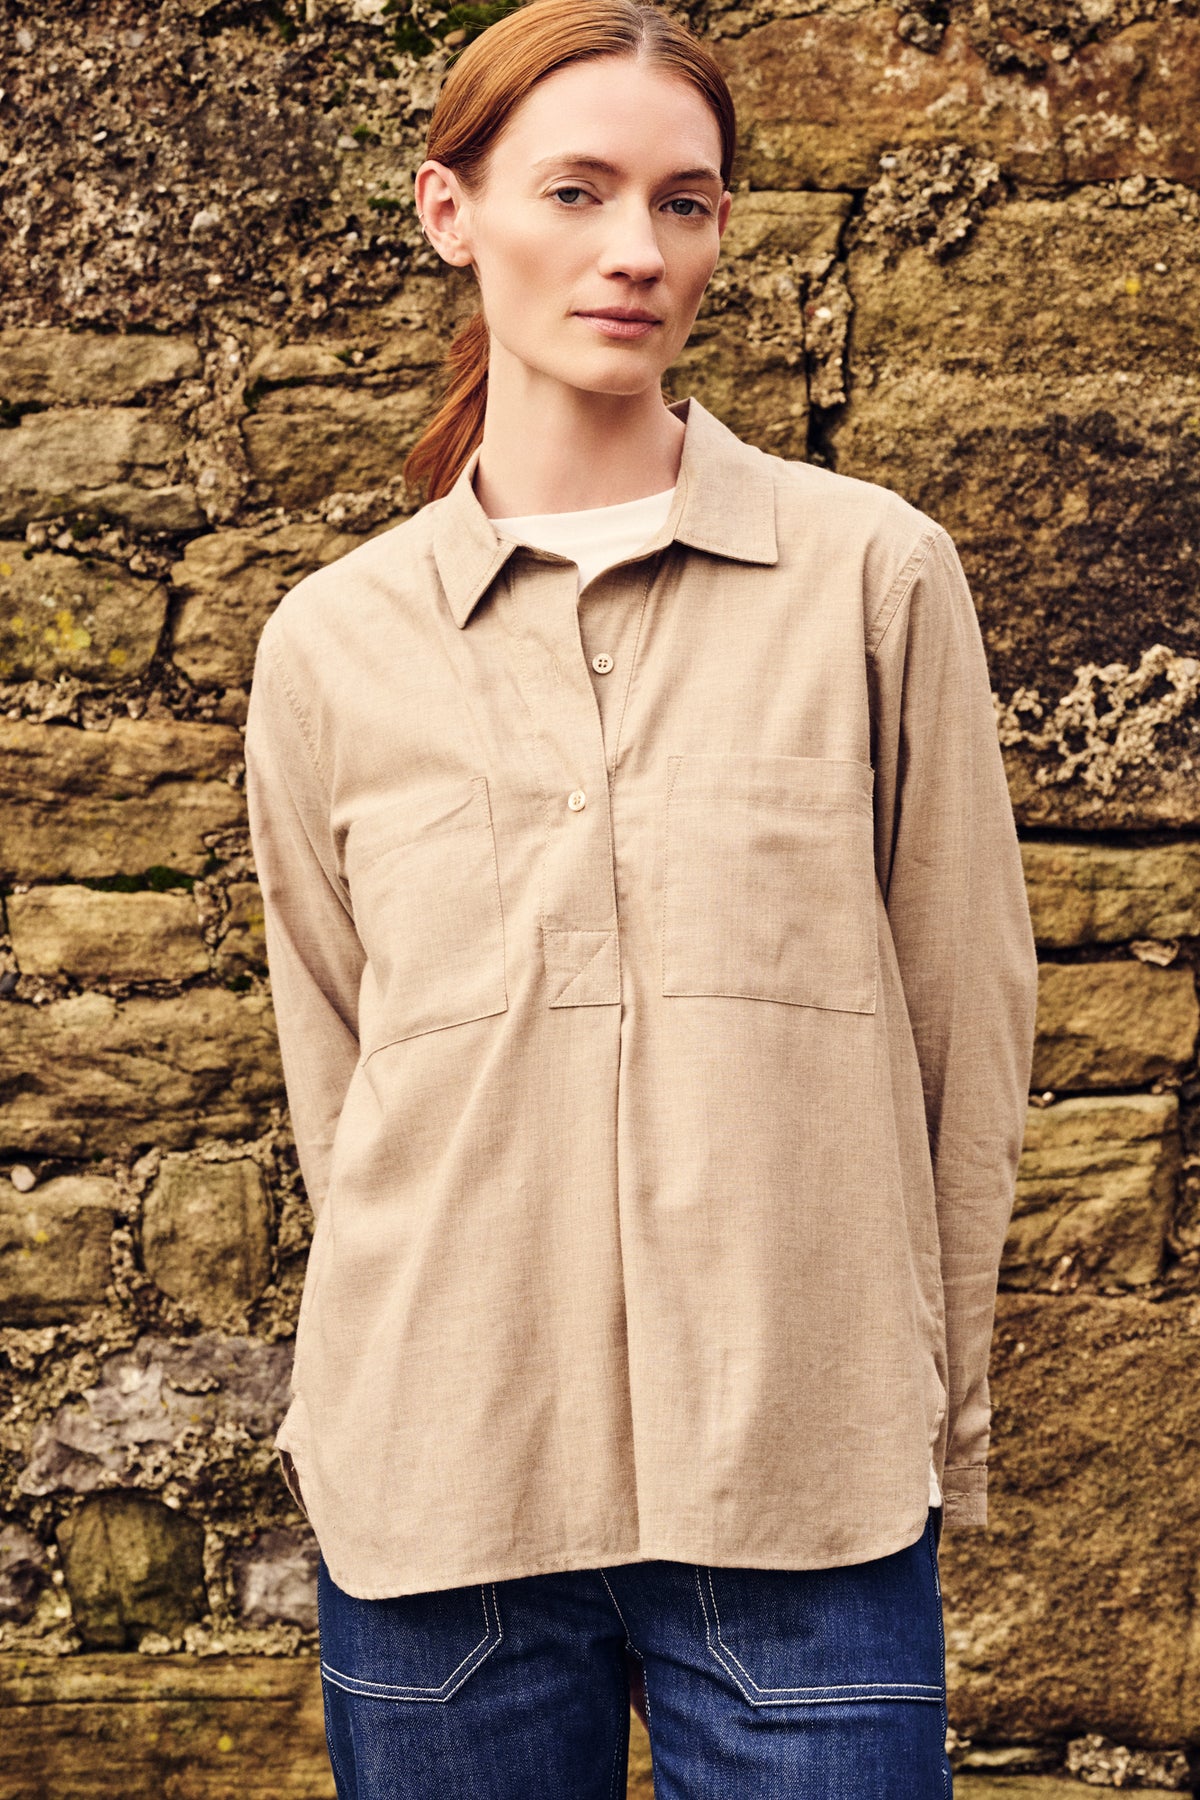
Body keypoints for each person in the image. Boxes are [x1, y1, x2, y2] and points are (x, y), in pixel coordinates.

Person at [243, 1, 1039, 1793]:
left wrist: (929, 1416)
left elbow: (959, 1035)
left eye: (684, 203)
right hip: (442, 1492)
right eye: (578, 189)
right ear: (451, 210)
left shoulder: (874, 577)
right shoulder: (332, 647)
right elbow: (341, 1075)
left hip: (803, 1486)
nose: (632, 252)